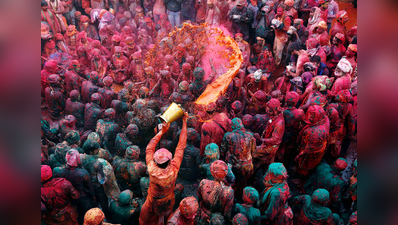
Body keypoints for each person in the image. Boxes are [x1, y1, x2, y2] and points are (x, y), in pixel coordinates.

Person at [139, 112, 188, 224]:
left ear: (155, 161)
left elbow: (150, 148)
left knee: (144, 220)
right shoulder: (174, 168)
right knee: (168, 218)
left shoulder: (152, 169)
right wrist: (185, 122)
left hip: (152, 201)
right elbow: (181, 146)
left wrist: (161, 132)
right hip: (168, 200)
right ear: (170, 160)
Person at [53, 149, 94, 223]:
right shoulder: (83, 173)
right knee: (86, 215)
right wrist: (93, 197)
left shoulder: (57, 171)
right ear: (78, 159)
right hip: (82, 198)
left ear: (66, 159)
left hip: (67, 198)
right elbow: (89, 188)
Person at [221, 118, 255, 198]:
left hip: (233, 166)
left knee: (233, 182)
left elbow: (223, 150)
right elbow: (253, 151)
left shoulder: (228, 136)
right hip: (247, 165)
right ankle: (244, 197)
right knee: (245, 182)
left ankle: (233, 197)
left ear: (232, 126)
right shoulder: (250, 135)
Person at [295, 105, 330, 176]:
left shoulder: (316, 133)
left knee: (304, 166)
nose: (308, 117)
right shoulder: (323, 119)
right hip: (312, 145)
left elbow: (308, 150)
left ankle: (301, 178)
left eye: (311, 116)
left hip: (310, 153)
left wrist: (299, 156)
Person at [253, 99, 285, 171]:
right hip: (267, 143)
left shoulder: (279, 124)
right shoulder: (276, 115)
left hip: (270, 147)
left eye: (269, 110)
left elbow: (275, 139)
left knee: (253, 152)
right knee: (267, 161)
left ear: (275, 110)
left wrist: (261, 139)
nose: (267, 111)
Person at [278, 92, 304, 164]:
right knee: (289, 147)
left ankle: (279, 161)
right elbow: (303, 123)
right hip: (293, 133)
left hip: (282, 132)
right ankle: (286, 161)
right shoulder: (300, 112)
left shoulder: (281, 111)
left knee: (281, 147)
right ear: (296, 101)